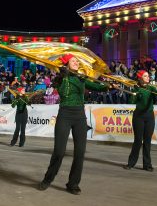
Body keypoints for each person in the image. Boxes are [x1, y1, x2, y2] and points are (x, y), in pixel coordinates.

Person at [38, 53, 112, 195]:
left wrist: (107, 86)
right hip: (65, 114)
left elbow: (97, 86)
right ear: (66, 64)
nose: (77, 63)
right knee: (59, 151)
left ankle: (73, 184)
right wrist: (65, 76)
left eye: (77, 61)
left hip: (79, 116)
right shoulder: (60, 78)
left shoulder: (82, 77)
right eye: (73, 61)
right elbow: (63, 92)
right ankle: (48, 179)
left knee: (80, 153)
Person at [123, 70, 157, 172]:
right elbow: (132, 101)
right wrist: (136, 94)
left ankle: (147, 165)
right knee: (138, 141)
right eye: (145, 76)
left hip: (149, 116)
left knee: (147, 141)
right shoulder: (137, 88)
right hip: (139, 116)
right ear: (140, 78)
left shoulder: (151, 88)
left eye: (148, 76)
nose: (148, 77)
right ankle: (131, 163)